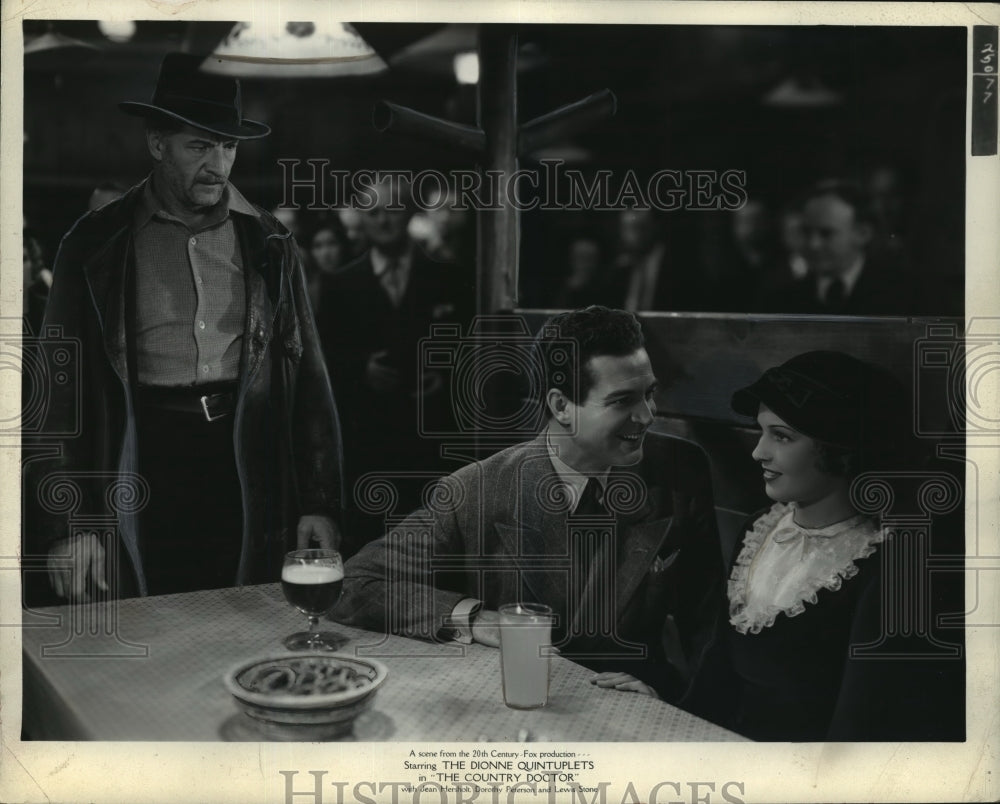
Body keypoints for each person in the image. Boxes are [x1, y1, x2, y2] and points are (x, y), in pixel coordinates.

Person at [27, 53, 343, 601]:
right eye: (199, 145)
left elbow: (309, 377)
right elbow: (60, 390)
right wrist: (69, 524)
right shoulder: (95, 241)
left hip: (244, 456)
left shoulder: (269, 242)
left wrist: (320, 501)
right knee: (149, 622)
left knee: (249, 615)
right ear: (156, 144)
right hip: (140, 454)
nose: (217, 164)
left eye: (229, 146)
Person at [332, 306, 724, 703]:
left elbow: (709, 626)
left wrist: (671, 700)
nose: (647, 415)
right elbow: (352, 585)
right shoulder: (476, 489)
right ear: (560, 405)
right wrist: (473, 617)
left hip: (638, 705)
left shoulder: (680, 470)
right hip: (515, 708)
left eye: (649, 394)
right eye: (623, 401)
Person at [688, 351, 964, 740]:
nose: (758, 452)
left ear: (840, 450)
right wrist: (667, 711)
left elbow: (861, 721)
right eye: (761, 431)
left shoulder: (881, 564)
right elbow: (718, 668)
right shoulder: (761, 530)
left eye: (781, 436)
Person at [318, 177, 472, 555]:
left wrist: (446, 376)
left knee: (434, 547)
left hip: (432, 444)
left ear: (410, 213)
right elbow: (321, 361)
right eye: (373, 212)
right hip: (369, 444)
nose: (383, 221)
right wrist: (360, 369)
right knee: (374, 550)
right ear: (361, 218)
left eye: (393, 210)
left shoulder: (449, 278)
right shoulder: (340, 285)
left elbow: (473, 351)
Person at [764, 180, 921, 315]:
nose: (813, 244)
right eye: (807, 232)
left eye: (826, 234)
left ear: (862, 233)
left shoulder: (905, 298)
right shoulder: (780, 302)